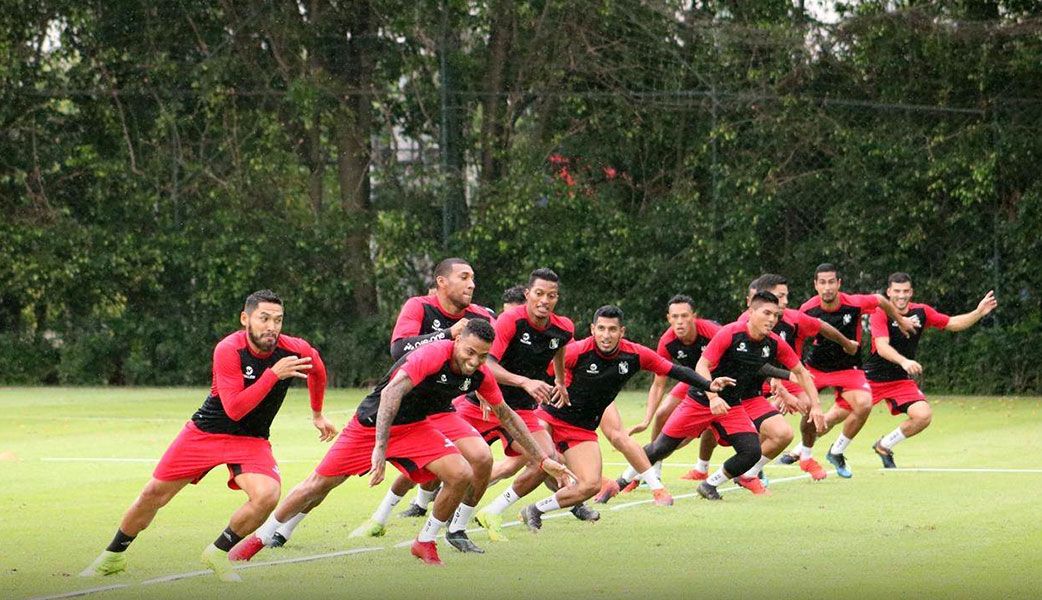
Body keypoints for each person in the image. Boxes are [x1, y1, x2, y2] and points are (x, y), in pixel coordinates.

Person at [231, 320, 573, 565]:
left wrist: (543, 459)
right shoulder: (430, 355)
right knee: (318, 485)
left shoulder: (479, 372)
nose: (474, 362)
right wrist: (379, 449)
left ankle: (425, 541)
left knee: (460, 474)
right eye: (470, 352)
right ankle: (258, 540)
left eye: (482, 357)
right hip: (370, 424)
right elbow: (392, 393)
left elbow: (507, 415)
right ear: (457, 342)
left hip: (414, 428)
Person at [80, 290, 336, 582]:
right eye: (264, 318)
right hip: (206, 433)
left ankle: (217, 552)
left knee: (267, 495)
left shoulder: (293, 348)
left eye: (278, 320)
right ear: (245, 319)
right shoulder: (228, 349)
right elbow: (235, 409)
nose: (272, 327)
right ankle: (112, 556)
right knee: (153, 495)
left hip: (250, 440)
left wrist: (317, 412)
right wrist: (272, 375)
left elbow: (317, 368)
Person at [517, 305, 734, 531]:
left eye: (612, 329)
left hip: (582, 428)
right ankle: (492, 511)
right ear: (592, 329)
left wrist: (709, 384)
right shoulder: (577, 351)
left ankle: (535, 509)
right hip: (549, 416)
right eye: (601, 328)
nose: (606, 335)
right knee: (538, 461)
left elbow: (674, 371)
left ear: (622, 331)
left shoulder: (635, 354)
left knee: (591, 485)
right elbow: (539, 372)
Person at [603, 291, 824, 502]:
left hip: (732, 405)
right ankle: (621, 481)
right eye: (766, 313)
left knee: (751, 452)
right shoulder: (729, 333)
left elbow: (802, 373)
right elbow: (702, 365)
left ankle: (710, 483)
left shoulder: (773, 342)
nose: (772, 319)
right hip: (699, 400)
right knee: (661, 448)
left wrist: (815, 406)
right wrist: (712, 398)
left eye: (775, 315)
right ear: (751, 312)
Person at [464, 269, 598, 541]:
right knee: (448, 467)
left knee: (546, 461)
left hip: (521, 411)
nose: (544, 300)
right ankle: (410, 507)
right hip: (483, 403)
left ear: (556, 298)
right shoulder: (510, 320)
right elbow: (487, 364)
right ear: (527, 294)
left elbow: (559, 347)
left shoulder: (564, 327)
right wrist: (525, 381)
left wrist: (560, 381)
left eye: (551, 296)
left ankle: (491, 511)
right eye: (539, 294)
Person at [386, 258, 496, 519]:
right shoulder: (418, 306)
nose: (472, 284)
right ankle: (383, 515)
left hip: (444, 408)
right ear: (441, 282)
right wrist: (446, 333)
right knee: (329, 478)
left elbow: (483, 359)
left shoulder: (480, 317)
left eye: (473, 278)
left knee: (482, 458)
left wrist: (482, 389)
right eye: (464, 277)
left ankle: (457, 526)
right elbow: (398, 349)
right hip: (405, 406)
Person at [791, 263, 918, 478]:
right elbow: (799, 339)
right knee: (799, 408)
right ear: (815, 285)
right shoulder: (807, 309)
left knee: (864, 404)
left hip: (850, 368)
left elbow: (879, 300)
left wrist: (901, 320)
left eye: (832, 281)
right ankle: (803, 455)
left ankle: (837, 451)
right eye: (822, 282)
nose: (827, 287)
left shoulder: (853, 304)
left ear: (839, 283)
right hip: (816, 369)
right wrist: (796, 368)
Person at [864, 273, 997, 467]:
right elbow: (882, 347)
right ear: (889, 292)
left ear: (911, 292)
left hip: (899, 380)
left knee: (923, 416)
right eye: (897, 291)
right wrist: (904, 361)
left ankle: (884, 445)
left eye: (906, 291)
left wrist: (978, 312)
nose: (902, 296)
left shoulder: (921, 312)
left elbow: (952, 323)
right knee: (839, 415)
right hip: (871, 378)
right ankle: (803, 451)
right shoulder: (880, 312)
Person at [625, 295, 720, 484]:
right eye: (674, 317)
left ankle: (708, 469)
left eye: (684, 316)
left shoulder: (713, 332)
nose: (679, 322)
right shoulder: (667, 341)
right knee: (662, 414)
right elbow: (659, 383)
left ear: (694, 316)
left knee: (689, 435)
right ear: (668, 318)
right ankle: (654, 468)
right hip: (694, 379)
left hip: (719, 380)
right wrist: (646, 420)